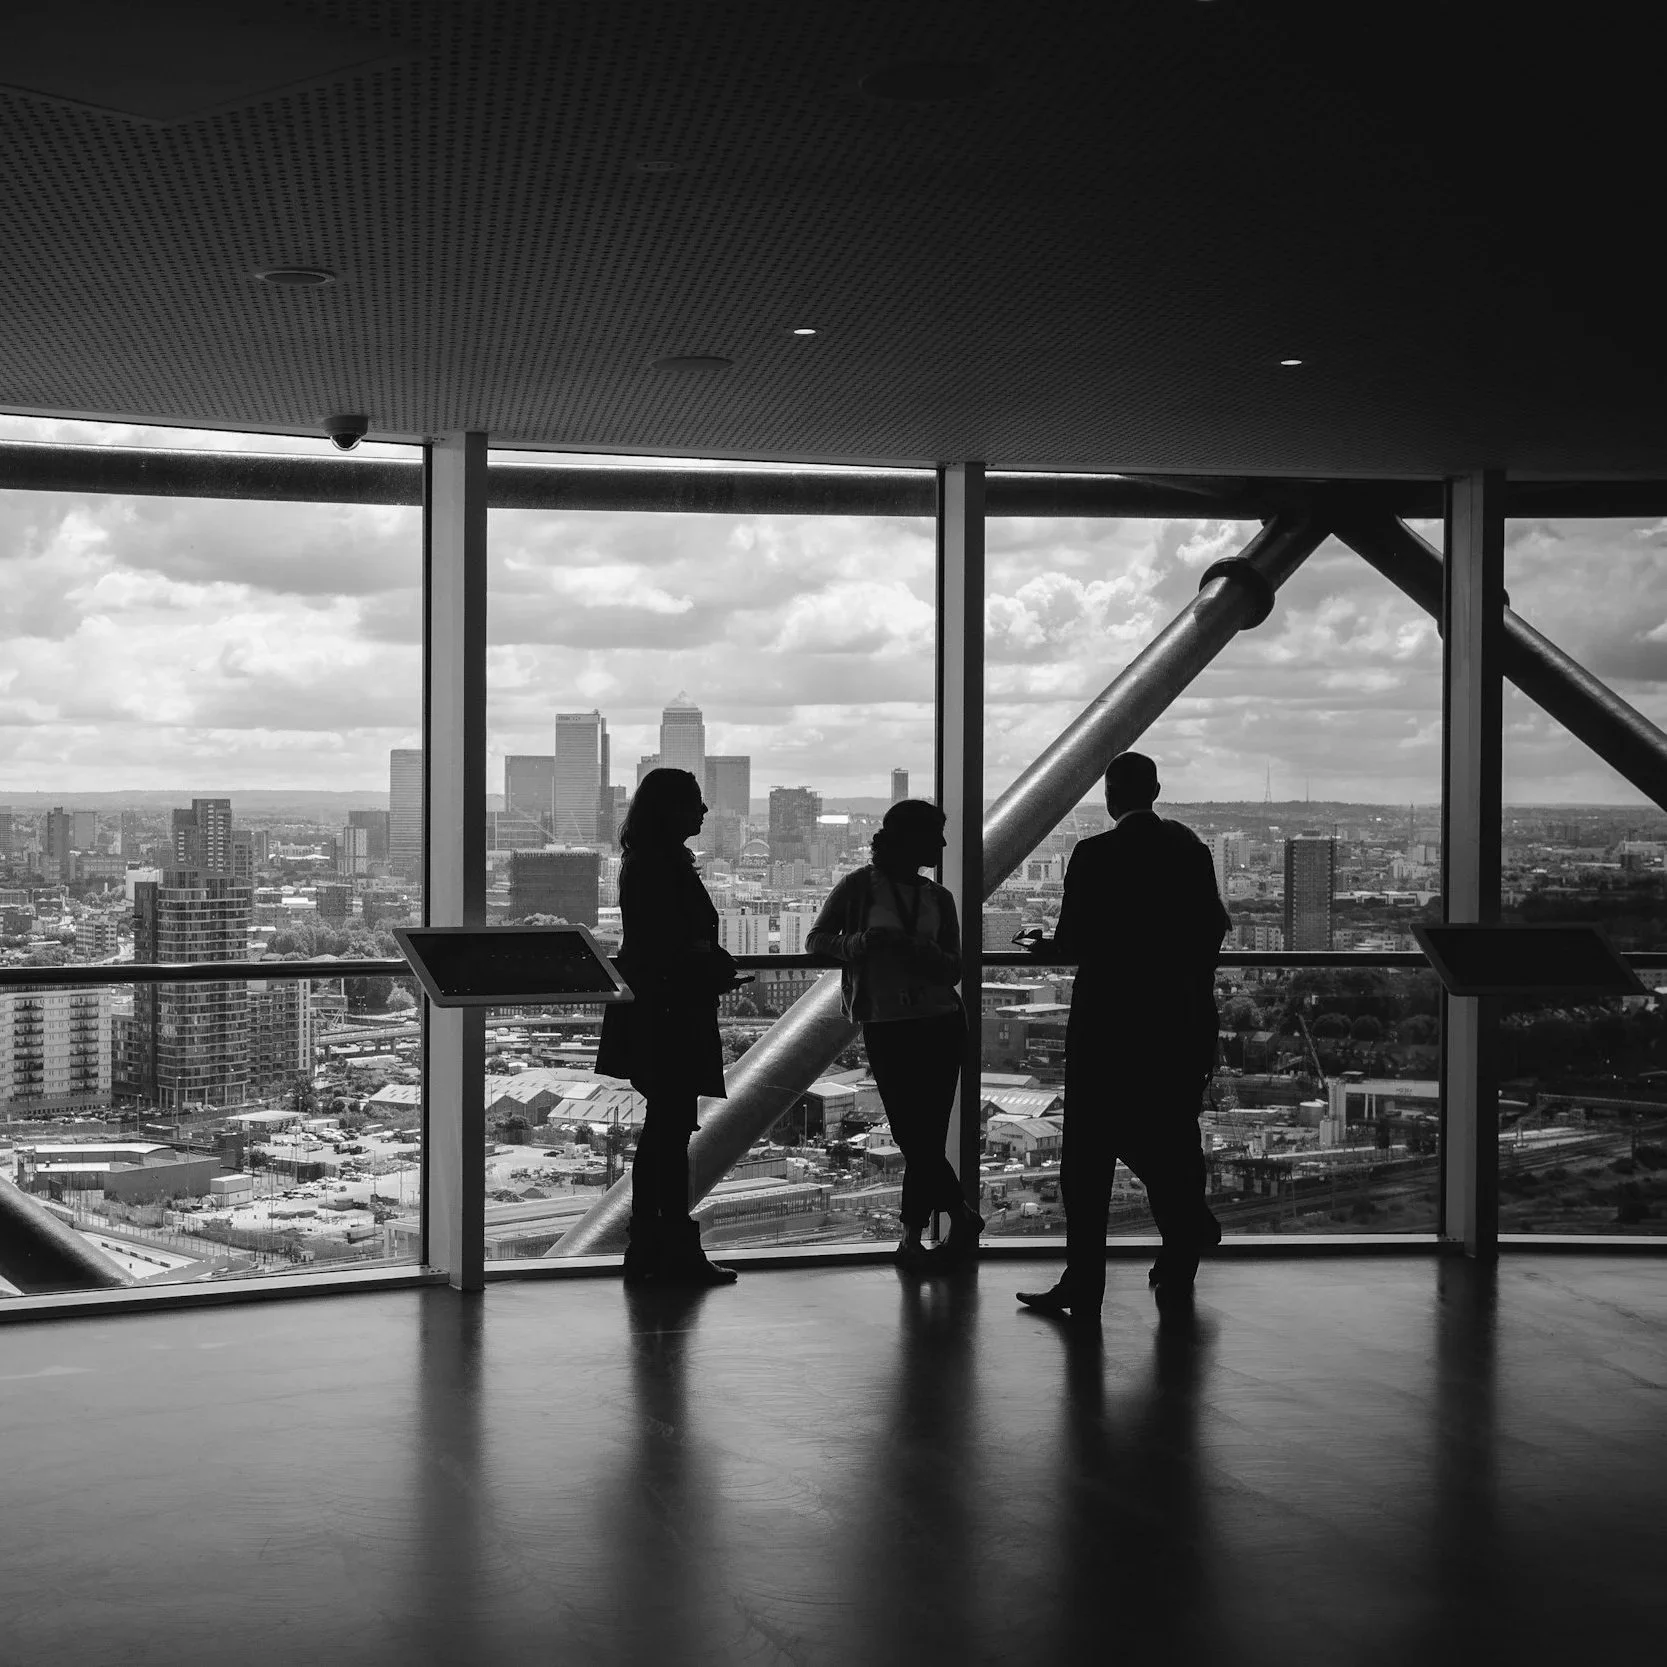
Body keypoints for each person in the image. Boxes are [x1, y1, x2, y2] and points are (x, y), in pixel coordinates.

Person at [1017, 751, 1229, 1322]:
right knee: (1172, 1133)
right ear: (1156, 790)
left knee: (1088, 1158)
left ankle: (1084, 1282)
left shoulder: (1095, 854)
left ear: (1111, 796)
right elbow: (1213, 929)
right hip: (1177, 1023)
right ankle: (1181, 1246)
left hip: (1109, 1025)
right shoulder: (1191, 853)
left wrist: (1045, 948)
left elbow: (1075, 941)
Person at [807, 799, 981, 1269]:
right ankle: (959, 1215)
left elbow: (952, 968)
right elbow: (817, 940)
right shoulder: (859, 888)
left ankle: (912, 1237)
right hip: (897, 1024)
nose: (943, 844)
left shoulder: (938, 898)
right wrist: (860, 944)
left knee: (920, 1135)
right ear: (909, 839)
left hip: (935, 1023)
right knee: (915, 1135)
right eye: (935, 835)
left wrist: (909, 948)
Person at [595, 767, 747, 1287]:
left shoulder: (646, 862)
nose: (704, 812)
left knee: (664, 1133)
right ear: (672, 810)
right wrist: (710, 967)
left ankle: (650, 1248)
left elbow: (656, 943)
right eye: (696, 803)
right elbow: (668, 945)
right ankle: (670, 1248)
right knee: (669, 1134)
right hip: (671, 1015)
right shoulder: (662, 865)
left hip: (655, 1012)